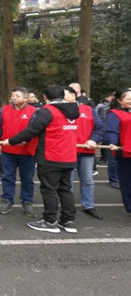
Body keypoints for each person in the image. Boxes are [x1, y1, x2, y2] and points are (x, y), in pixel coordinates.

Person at [3, 85, 80, 234]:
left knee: (49, 190)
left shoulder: (47, 111)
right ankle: (68, 220)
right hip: (69, 156)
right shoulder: (74, 111)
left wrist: (11, 141)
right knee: (65, 189)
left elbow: (32, 130)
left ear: (45, 97)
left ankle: (50, 221)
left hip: (51, 156)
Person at [0, 87, 38, 218]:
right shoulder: (4, 110)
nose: (14, 98)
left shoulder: (34, 111)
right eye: (13, 95)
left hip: (27, 151)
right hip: (8, 151)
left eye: (17, 96)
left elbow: (35, 130)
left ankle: (27, 202)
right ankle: (7, 200)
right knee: (7, 176)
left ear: (26, 98)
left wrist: (26, 141)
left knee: (27, 178)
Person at [63, 87, 104, 220]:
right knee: (67, 181)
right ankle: (68, 206)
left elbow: (99, 128)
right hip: (67, 152)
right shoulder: (59, 111)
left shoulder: (88, 110)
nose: (62, 97)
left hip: (86, 151)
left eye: (64, 95)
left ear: (73, 95)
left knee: (87, 180)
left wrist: (93, 139)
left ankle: (88, 205)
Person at [104, 88, 131, 216]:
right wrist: (113, 143)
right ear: (120, 100)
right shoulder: (114, 114)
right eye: (129, 99)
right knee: (127, 181)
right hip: (125, 152)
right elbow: (112, 130)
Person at [95, 92, 115, 165]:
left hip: (112, 125)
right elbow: (95, 114)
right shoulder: (101, 106)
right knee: (104, 142)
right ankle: (104, 158)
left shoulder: (116, 107)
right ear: (107, 97)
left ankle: (107, 159)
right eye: (111, 97)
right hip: (103, 125)